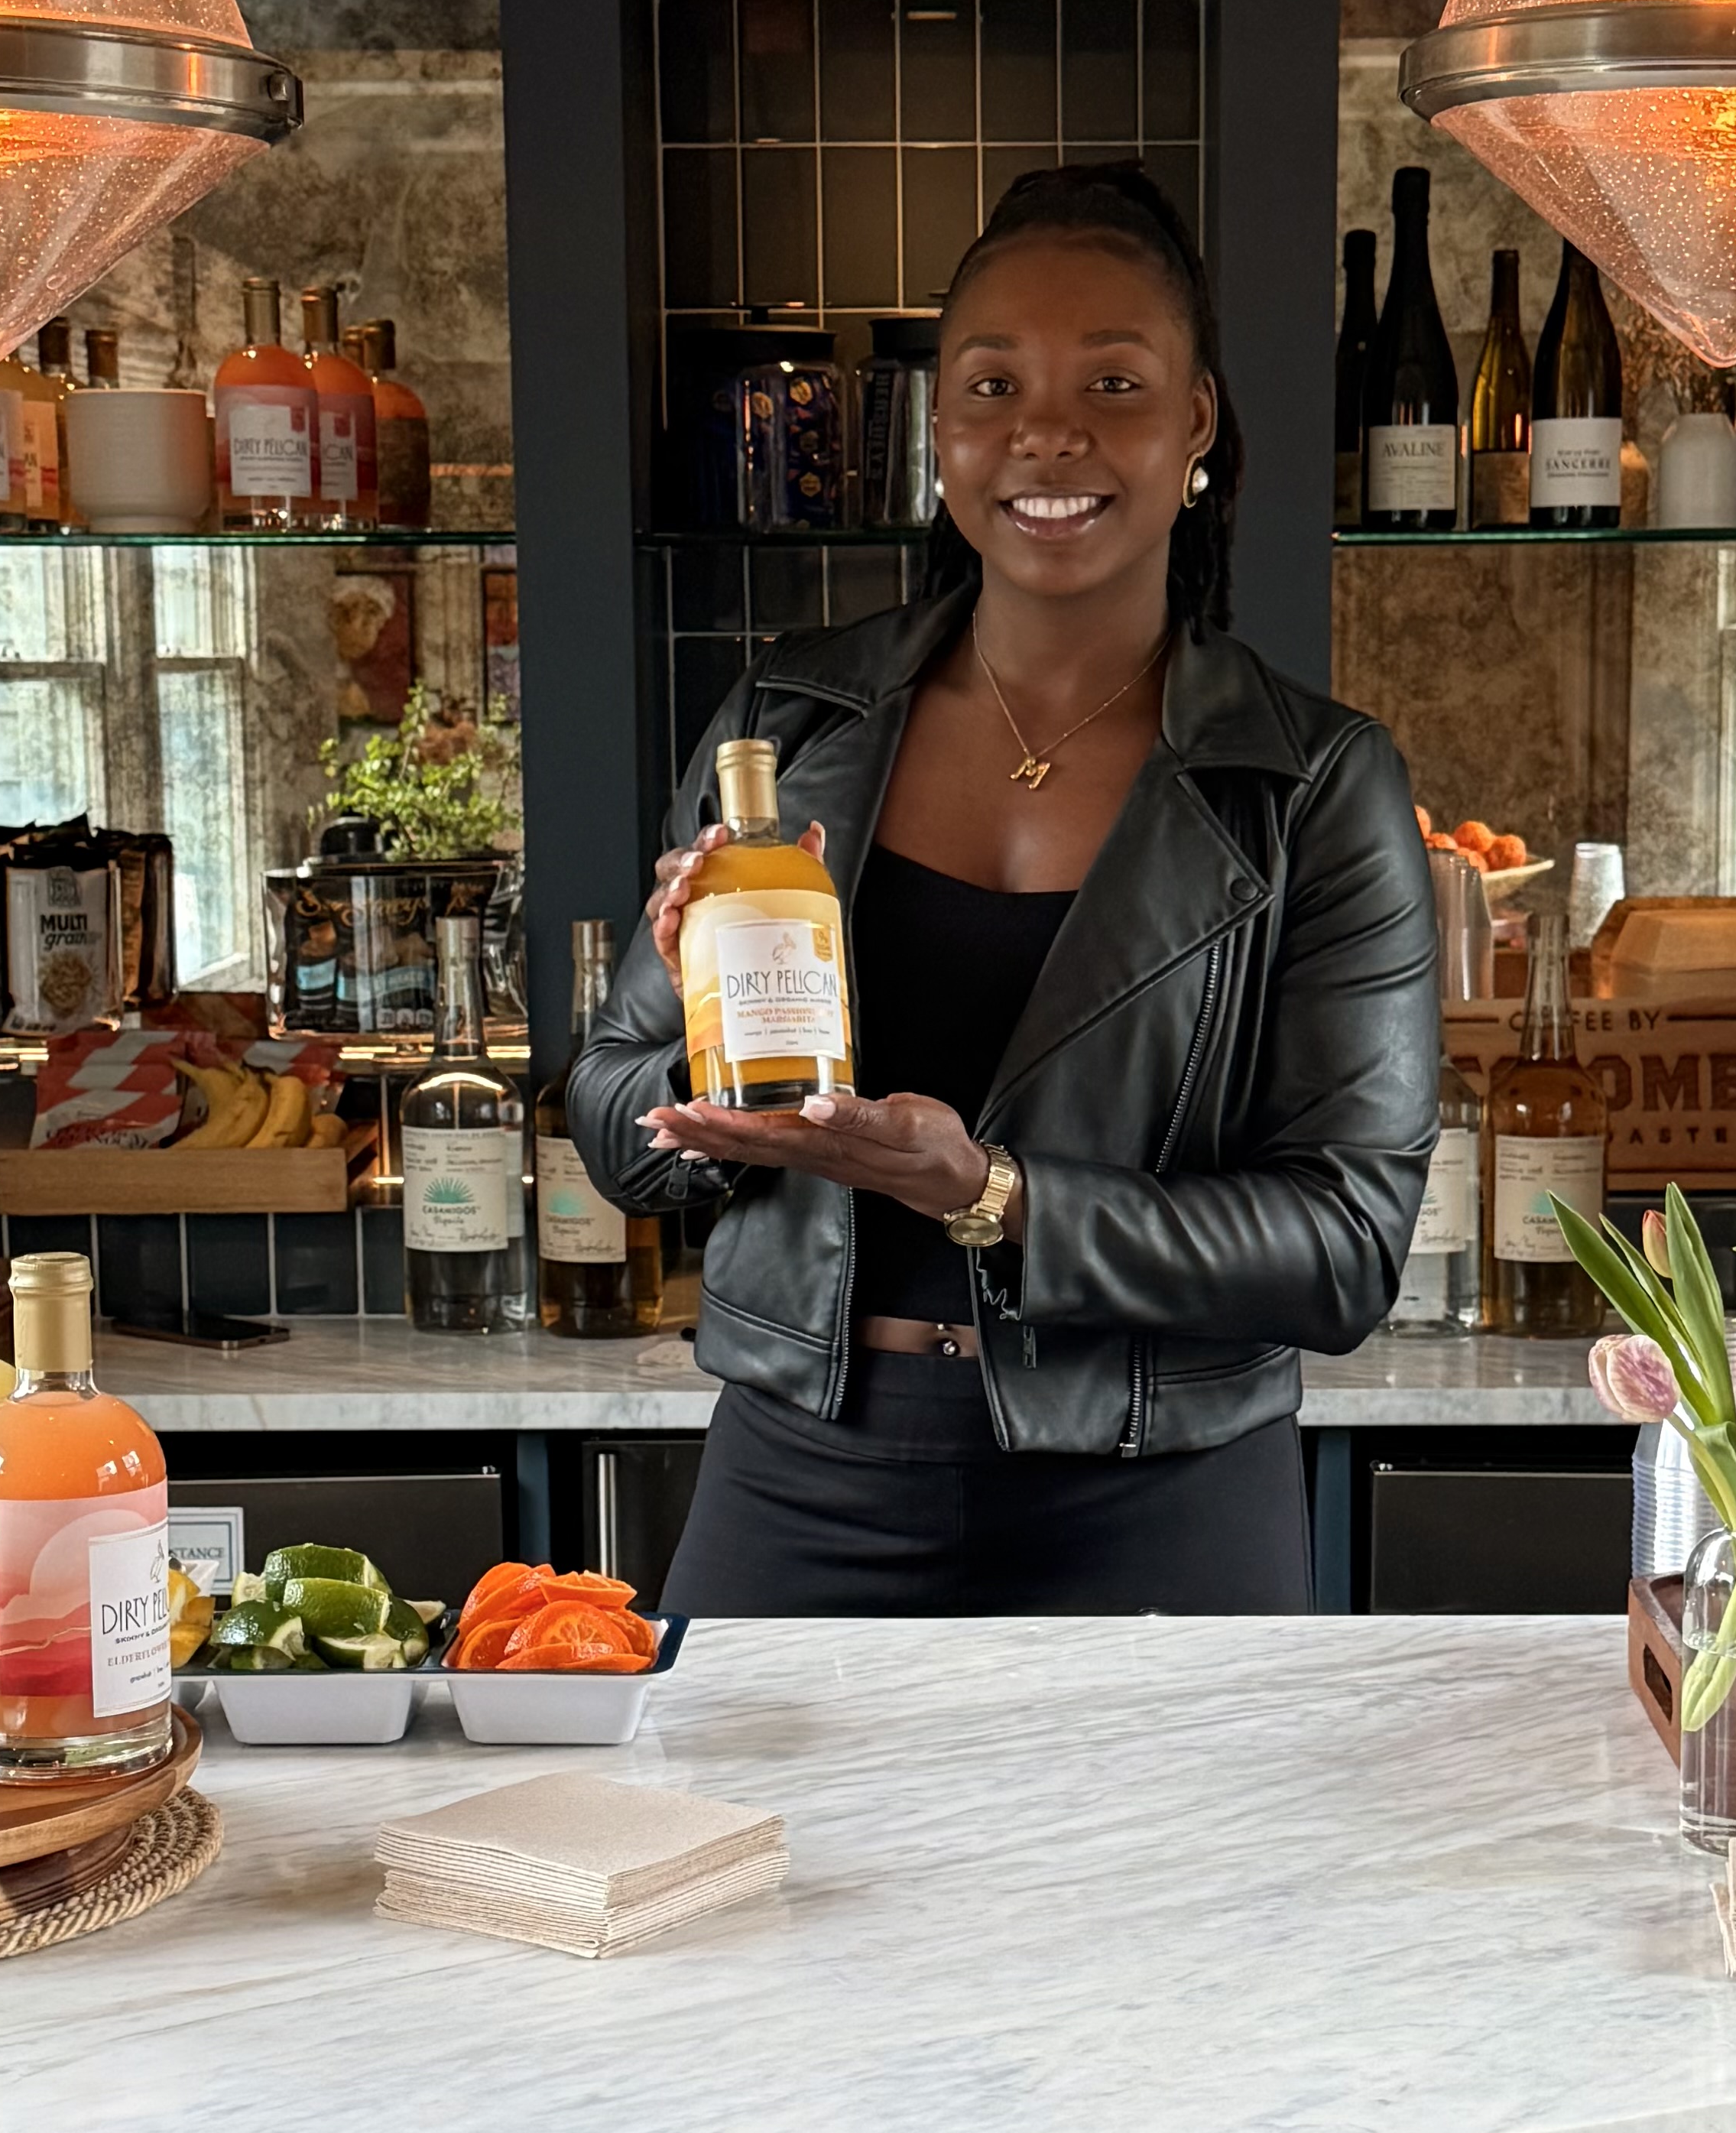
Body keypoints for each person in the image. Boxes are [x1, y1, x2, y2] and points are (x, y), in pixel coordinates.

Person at [570, 162, 1438, 1617]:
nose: (1047, 432)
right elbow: (615, 1113)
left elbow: (1345, 1247)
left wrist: (997, 1196)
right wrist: (716, 1091)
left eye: (1113, 380)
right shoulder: (783, 731)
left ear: (1198, 421)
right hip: (805, 1469)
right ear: (940, 431)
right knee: (753, 1857)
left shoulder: (1313, 784)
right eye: (991, 385)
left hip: (1164, 1495)